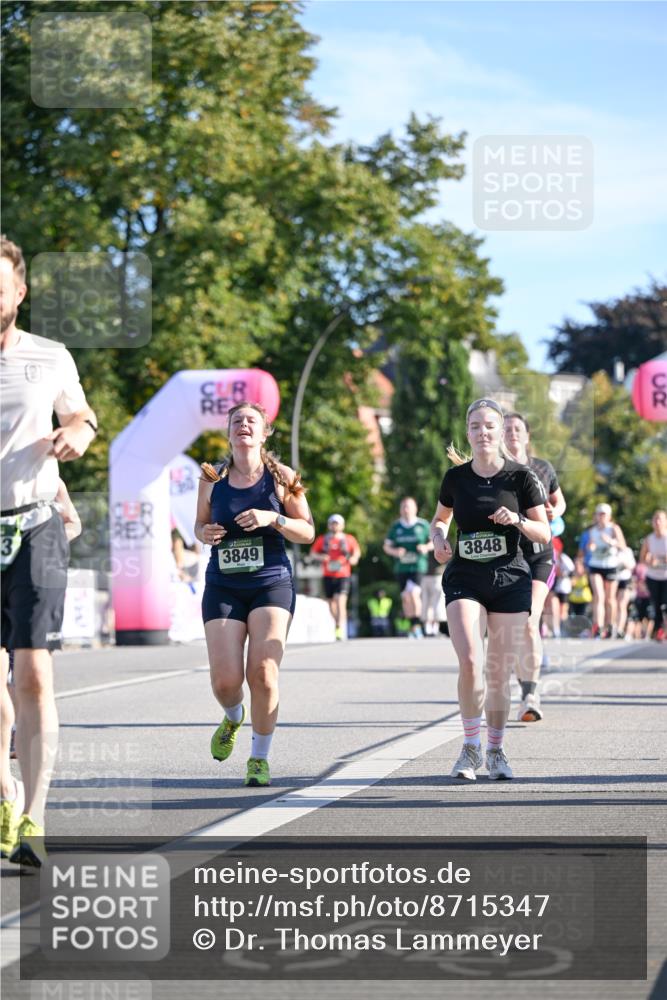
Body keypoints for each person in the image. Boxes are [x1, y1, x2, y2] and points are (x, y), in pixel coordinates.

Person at [1, 235, 97, 866]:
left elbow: (84, 416)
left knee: (33, 671)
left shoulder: (49, 356)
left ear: (19, 290)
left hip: (33, 524)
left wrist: (76, 435)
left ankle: (32, 817)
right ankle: (4, 794)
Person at [195, 401, 314, 788]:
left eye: (252, 421)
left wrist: (274, 518)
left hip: (270, 581)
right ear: (228, 433)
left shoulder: (282, 477)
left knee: (263, 672)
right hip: (224, 583)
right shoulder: (213, 476)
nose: (244, 425)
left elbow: (307, 531)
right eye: (236, 421)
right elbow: (199, 525)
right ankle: (232, 716)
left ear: (264, 433)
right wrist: (206, 534)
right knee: (225, 682)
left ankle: (259, 758)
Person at [431, 399, 549, 781]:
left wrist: (516, 519)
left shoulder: (521, 477)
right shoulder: (456, 478)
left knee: (497, 672)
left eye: (490, 426)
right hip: (465, 576)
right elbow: (440, 520)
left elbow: (543, 532)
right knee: (470, 661)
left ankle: (495, 749)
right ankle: (469, 747)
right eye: (476, 426)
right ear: (468, 432)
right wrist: (438, 539)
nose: (483, 433)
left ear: (501, 432)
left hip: (510, 578)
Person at [504, 412, 566, 722]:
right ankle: (522, 684)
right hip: (507, 557)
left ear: (527, 436)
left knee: (529, 619)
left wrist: (554, 511)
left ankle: (530, 693)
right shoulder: (495, 471)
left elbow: (560, 501)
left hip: (540, 553)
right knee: (515, 626)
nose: (512, 433)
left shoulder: (542, 468)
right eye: (507, 429)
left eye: (517, 429)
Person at [383, 497, 432, 638]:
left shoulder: (423, 525)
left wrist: (425, 547)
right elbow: (386, 546)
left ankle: (417, 625)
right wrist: (395, 552)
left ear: (415, 508)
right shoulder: (396, 527)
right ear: (400, 509)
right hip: (401, 568)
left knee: (414, 594)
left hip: (418, 566)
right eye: (403, 507)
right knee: (405, 597)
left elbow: (434, 542)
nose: (406, 509)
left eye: (408, 506)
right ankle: (412, 625)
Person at [579, 503, 626, 638]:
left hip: (611, 565)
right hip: (596, 565)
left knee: (610, 598)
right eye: (599, 513)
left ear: (609, 516)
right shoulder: (591, 531)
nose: (601, 516)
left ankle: (611, 624)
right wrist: (590, 547)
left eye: (604, 514)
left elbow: (623, 546)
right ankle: (598, 626)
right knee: (599, 595)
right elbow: (584, 550)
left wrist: (611, 542)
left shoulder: (614, 529)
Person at [310, 515, 361, 640]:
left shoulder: (349, 539)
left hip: (343, 575)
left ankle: (339, 627)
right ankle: (337, 624)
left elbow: (356, 552)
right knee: (331, 603)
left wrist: (354, 559)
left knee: (340, 601)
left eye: (337, 523)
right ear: (329, 525)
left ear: (342, 525)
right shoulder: (323, 539)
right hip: (328, 575)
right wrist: (321, 557)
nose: (335, 526)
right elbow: (313, 553)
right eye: (332, 523)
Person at [639, 509, 667, 642]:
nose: (657, 522)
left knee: (665, 604)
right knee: (656, 605)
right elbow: (642, 558)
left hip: (666, 576)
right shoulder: (649, 539)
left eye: (660, 519)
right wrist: (649, 560)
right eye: (655, 519)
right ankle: (658, 630)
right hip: (653, 576)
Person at [421, 551, 447, 636]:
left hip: (424, 575)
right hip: (436, 575)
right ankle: (433, 629)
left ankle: (428, 629)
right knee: (436, 603)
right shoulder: (439, 539)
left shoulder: (422, 541)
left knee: (427, 603)